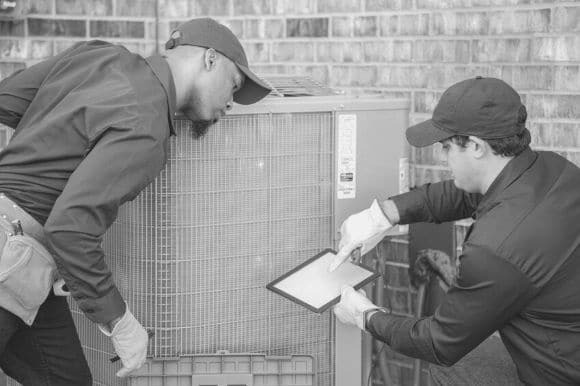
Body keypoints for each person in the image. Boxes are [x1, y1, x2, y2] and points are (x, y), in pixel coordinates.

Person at [0, 17, 271, 385]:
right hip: (12, 255)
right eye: (234, 86)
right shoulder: (148, 125)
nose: (232, 103)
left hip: (31, 263)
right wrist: (122, 323)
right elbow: (71, 228)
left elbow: (7, 99)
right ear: (210, 60)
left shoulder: (97, 55)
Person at [330, 77, 580, 385]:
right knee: (463, 366)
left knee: (454, 363)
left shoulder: (496, 250)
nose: (442, 157)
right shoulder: (552, 171)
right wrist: (381, 216)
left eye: (447, 147)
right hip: (565, 339)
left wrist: (366, 316)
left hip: (557, 373)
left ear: (475, 146)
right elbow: (464, 193)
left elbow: (439, 342)